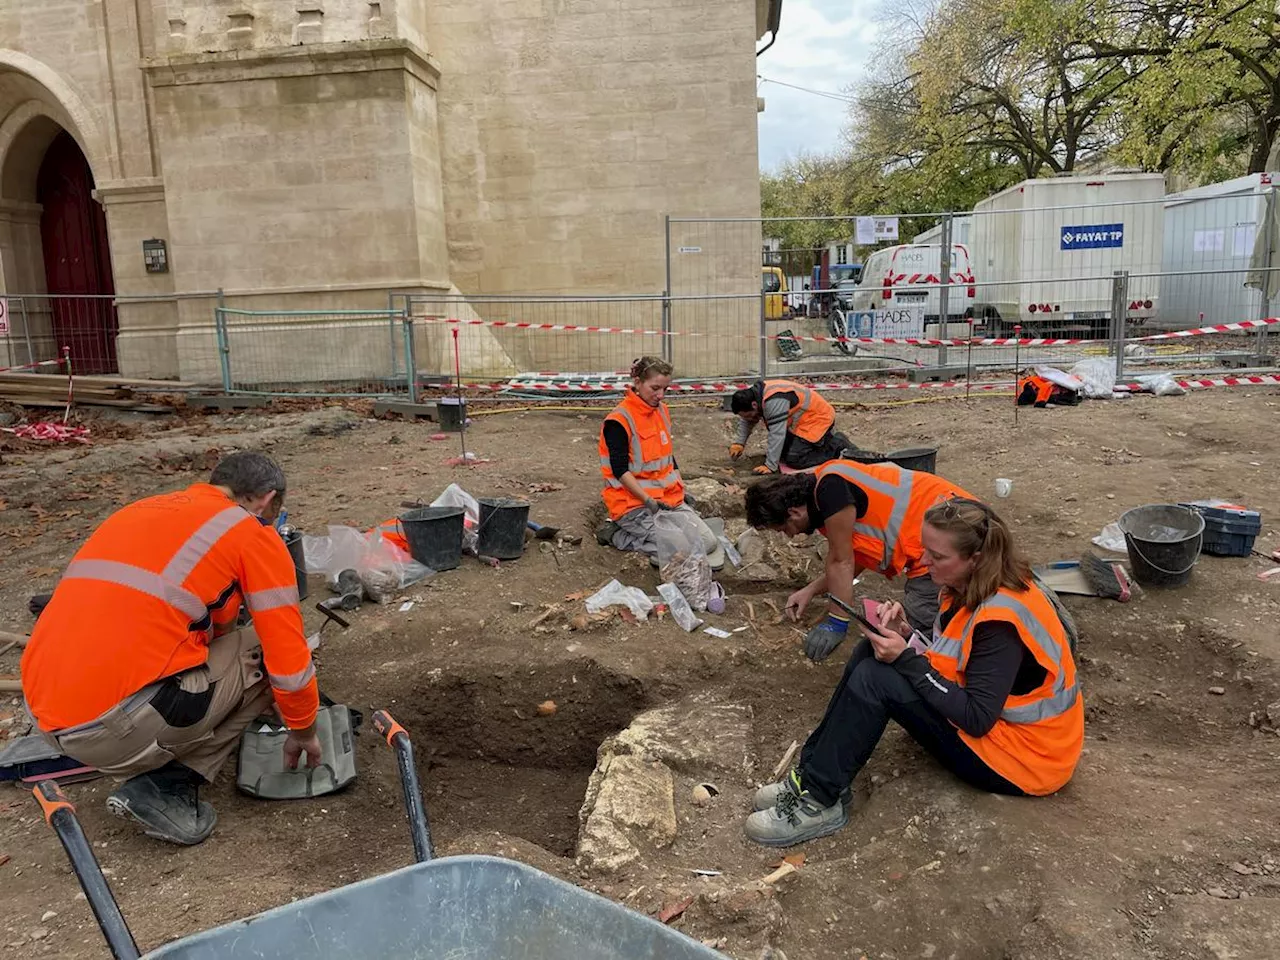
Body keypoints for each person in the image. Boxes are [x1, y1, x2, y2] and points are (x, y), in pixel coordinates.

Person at [744, 498, 1084, 846]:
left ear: (976, 558)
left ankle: (820, 800)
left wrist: (907, 659)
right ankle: (812, 778)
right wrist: (908, 637)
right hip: (1006, 736)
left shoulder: (1000, 623)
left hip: (1024, 760)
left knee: (878, 678)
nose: (924, 562)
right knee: (870, 651)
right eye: (925, 550)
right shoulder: (973, 586)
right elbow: (958, 662)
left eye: (937, 557)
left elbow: (977, 717)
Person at [21, 452, 321, 846]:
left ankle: (148, 749)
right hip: (112, 730)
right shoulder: (251, 533)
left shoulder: (141, 510)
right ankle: (167, 786)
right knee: (263, 652)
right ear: (265, 500)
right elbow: (287, 653)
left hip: (45, 714)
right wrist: (303, 728)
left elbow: (201, 621)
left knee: (227, 648)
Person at [745, 459, 979, 648]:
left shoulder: (831, 492)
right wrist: (810, 590)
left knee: (908, 633)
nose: (789, 535)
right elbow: (853, 557)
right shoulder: (822, 495)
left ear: (793, 512)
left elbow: (841, 561)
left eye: (784, 528)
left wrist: (837, 622)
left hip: (954, 534)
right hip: (948, 530)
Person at [596, 356, 724, 568]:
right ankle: (617, 535)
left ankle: (659, 538)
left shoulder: (661, 411)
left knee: (708, 543)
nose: (660, 395)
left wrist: (680, 490)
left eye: (665, 389)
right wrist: (648, 501)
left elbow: (667, 457)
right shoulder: (619, 421)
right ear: (637, 382)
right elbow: (620, 470)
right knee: (681, 550)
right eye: (655, 388)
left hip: (668, 501)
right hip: (633, 505)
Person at [728, 379, 853, 474]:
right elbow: (747, 420)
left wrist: (770, 466)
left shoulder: (773, 401)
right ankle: (820, 445)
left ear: (754, 405)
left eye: (749, 415)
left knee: (795, 460)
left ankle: (836, 446)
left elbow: (777, 434)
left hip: (817, 419)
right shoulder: (755, 396)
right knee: (782, 454)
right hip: (801, 422)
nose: (750, 419)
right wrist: (739, 443)